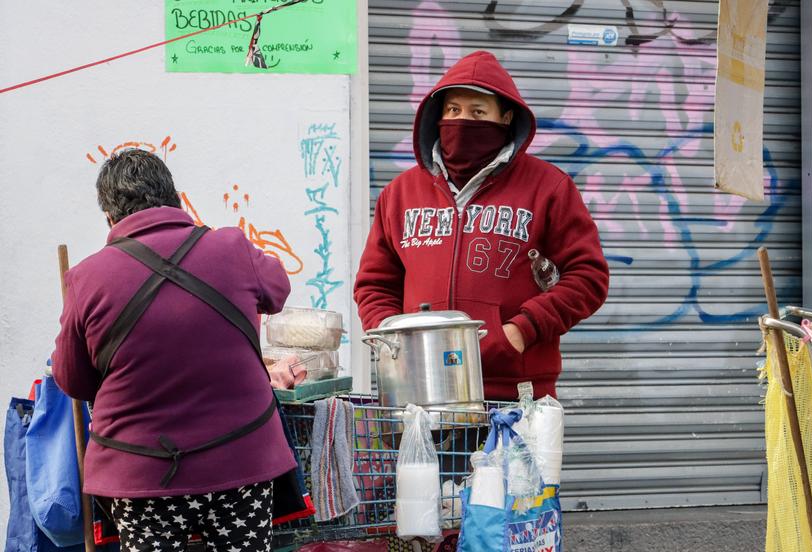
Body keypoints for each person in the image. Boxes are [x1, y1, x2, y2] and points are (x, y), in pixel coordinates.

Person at [52, 149, 295, 551]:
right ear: (177, 199)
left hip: (141, 478)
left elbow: (73, 380)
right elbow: (278, 290)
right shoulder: (232, 248)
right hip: (242, 464)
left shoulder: (85, 279)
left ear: (110, 218)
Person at [354, 50, 609, 400]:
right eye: (454, 110)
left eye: (478, 112)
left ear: (505, 117)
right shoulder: (399, 194)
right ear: (438, 115)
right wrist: (393, 340)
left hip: (515, 395)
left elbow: (588, 277)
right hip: (420, 393)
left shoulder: (548, 187)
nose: (463, 121)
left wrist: (521, 330)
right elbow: (374, 284)